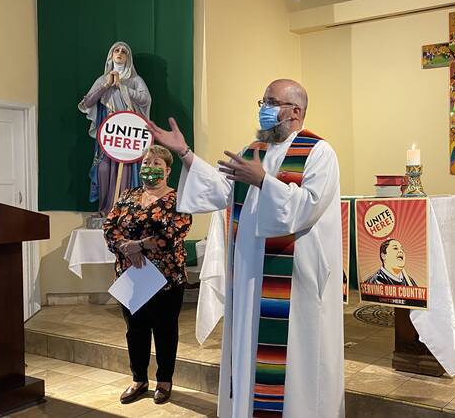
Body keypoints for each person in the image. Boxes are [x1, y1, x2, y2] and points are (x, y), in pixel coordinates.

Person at [147, 79, 344, 417]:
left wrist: (263, 181)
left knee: (296, 365)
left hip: (293, 286)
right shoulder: (255, 149)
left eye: (271, 101)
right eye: (262, 101)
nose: (263, 108)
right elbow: (220, 188)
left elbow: (306, 207)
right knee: (250, 360)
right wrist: (185, 153)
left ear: (295, 111)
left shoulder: (318, 153)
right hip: (251, 280)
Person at [102, 145, 192, 405]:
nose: (149, 167)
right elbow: (110, 226)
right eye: (145, 163)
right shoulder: (128, 195)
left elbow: (173, 233)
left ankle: (164, 380)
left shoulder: (179, 199)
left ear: (167, 170)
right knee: (135, 329)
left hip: (165, 278)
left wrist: (137, 245)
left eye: (156, 163)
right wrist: (124, 247)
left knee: (165, 330)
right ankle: (138, 378)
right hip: (130, 275)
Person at [80, 41, 151, 215]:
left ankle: (126, 211)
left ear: (128, 57)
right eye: (116, 50)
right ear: (110, 55)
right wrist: (106, 85)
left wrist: (122, 86)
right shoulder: (102, 80)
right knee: (103, 170)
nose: (119, 53)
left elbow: (145, 100)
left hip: (127, 133)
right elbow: (87, 102)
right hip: (108, 131)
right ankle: (106, 210)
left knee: (127, 172)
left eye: (124, 51)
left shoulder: (135, 80)